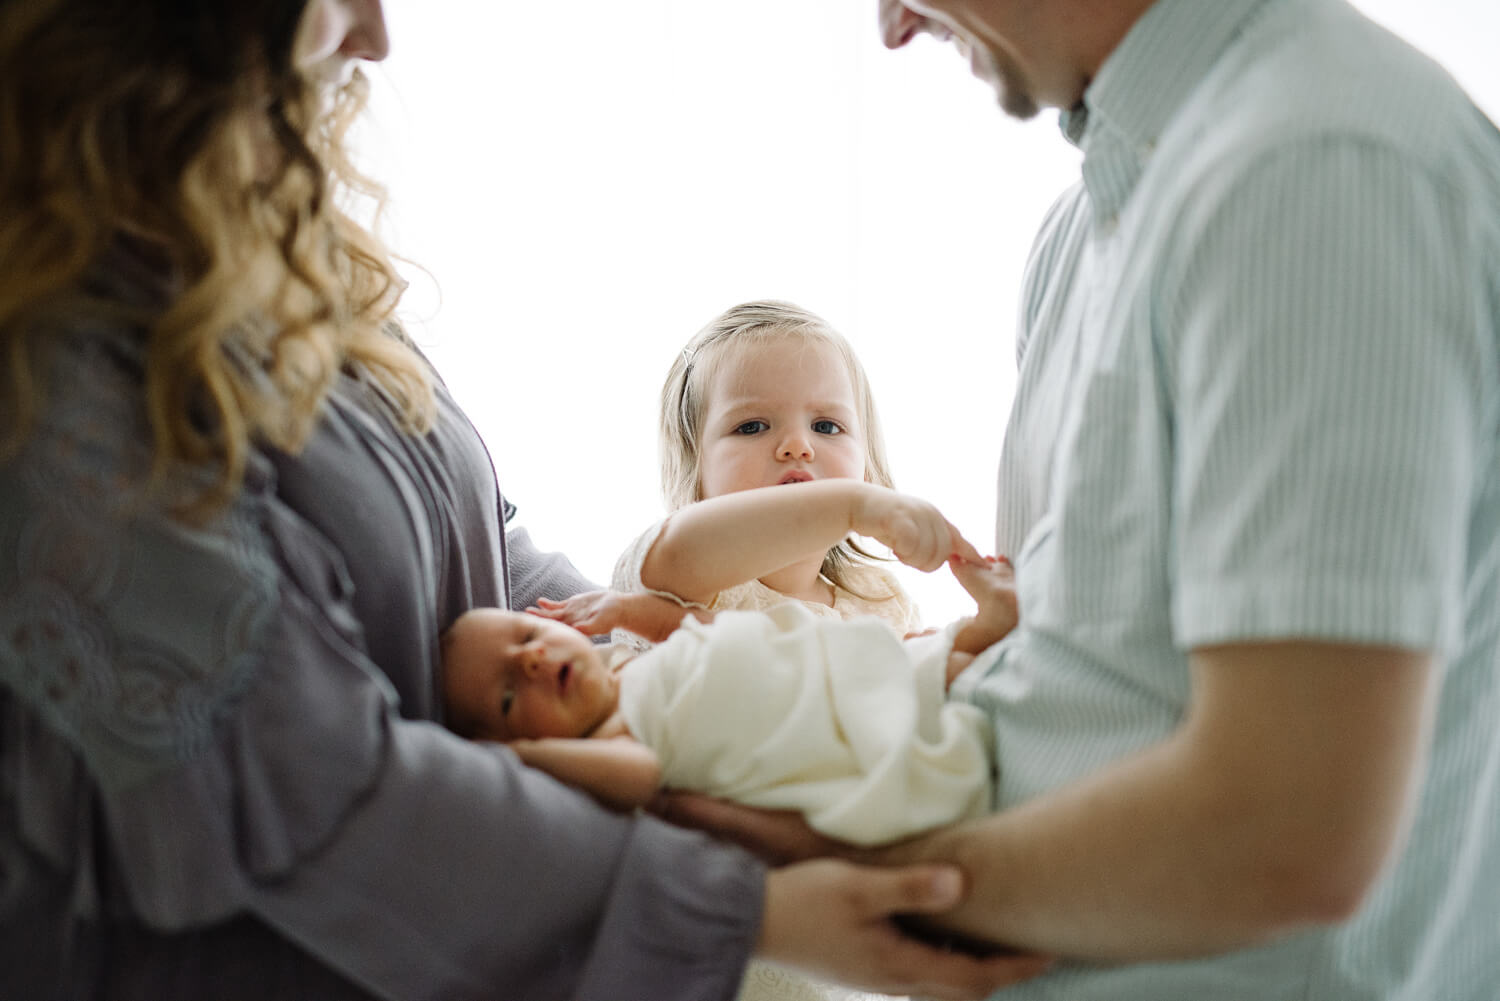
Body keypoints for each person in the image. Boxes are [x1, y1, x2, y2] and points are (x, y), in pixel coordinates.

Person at [0, 1, 1055, 998]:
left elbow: (488, 545)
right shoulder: (57, 386)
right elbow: (319, 792)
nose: (373, 32)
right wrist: (748, 902)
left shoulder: (273, 260)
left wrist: (652, 669)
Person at [663, 1, 1500, 999]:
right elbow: (1074, 673)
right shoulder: (1087, 227)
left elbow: (1289, 825)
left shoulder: (1316, 165)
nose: (890, 26)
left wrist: (841, 882)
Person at [442, 499, 1018, 842]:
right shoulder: (615, 737)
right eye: (510, 694)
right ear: (515, 742)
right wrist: (516, 763)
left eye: (525, 636)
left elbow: (684, 625)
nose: (534, 661)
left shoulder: (623, 662)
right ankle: (983, 641)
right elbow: (639, 776)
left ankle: (983, 627)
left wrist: (626, 610)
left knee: (912, 655)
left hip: (814, 664)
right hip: (819, 720)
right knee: (923, 693)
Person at [531, 300, 928, 645]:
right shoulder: (692, 585)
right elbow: (678, 553)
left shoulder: (881, 600)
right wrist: (854, 505)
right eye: (752, 426)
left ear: (867, 463)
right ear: (694, 469)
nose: (797, 445)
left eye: (825, 426)